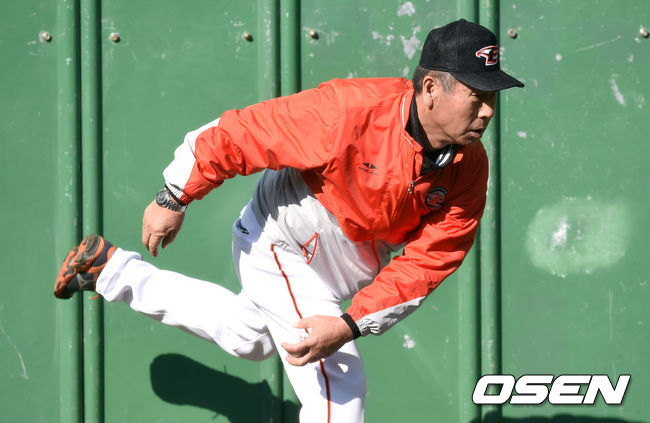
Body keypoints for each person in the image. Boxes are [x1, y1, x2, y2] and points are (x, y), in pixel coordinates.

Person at [54, 19, 523, 423]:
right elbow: (243, 133)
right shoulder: (351, 110)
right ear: (431, 89)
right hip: (280, 241)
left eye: (493, 96)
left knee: (248, 337)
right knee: (339, 390)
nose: (487, 110)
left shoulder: (469, 167)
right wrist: (174, 195)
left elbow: (429, 262)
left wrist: (352, 321)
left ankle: (110, 270)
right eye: (476, 95)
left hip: (340, 268)